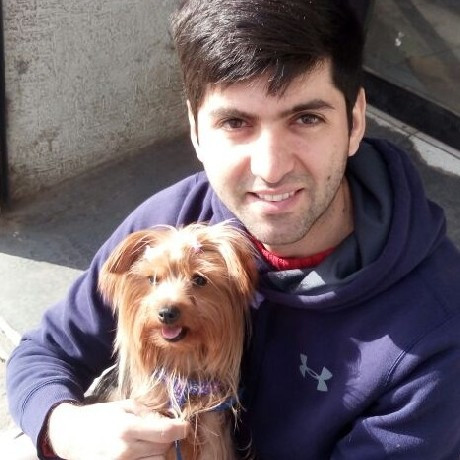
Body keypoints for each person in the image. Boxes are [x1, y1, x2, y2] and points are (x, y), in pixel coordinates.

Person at [6, 0, 460, 458]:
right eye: (235, 122)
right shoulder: (175, 217)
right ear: (195, 130)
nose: (271, 168)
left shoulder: (433, 339)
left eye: (306, 118)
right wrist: (64, 428)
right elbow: (44, 352)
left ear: (355, 120)